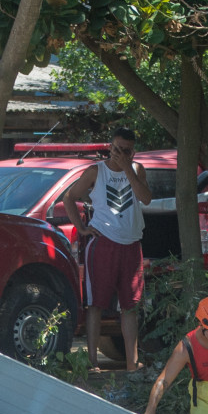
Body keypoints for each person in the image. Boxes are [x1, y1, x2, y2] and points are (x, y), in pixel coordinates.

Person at [65, 126, 153, 372]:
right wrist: (82, 228)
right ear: (109, 147)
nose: (118, 154)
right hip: (103, 242)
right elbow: (69, 198)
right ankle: (92, 362)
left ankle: (132, 363)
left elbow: (146, 198)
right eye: (115, 149)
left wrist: (127, 169)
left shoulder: (137, 170)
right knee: (96, 304)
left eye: (125, 150)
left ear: (133, 152)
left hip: (132, 244)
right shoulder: (96, 171)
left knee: (130, 305)